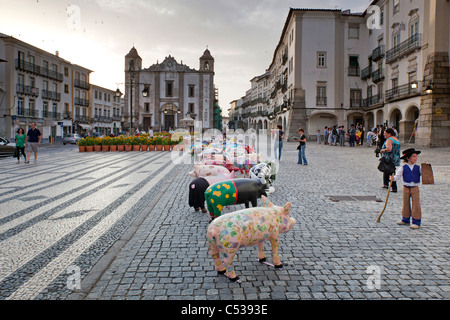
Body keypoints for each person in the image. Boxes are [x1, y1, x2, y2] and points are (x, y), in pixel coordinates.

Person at [391, 148, 425, 229]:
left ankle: (416, 221)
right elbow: (398, 176)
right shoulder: (403, 168)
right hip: (405, 187)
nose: (415, 158)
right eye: (413, 157)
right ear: (408, 158)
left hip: (414, 187)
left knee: (416, 204)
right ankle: (405, 219)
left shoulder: (418, 168)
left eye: (416, 157)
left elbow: (425, 173)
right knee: (405, 203)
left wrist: (426, 166)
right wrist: (393, 178)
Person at [380, 128, 401, 193]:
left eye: (385, 134)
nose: (384, 135)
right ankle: (385, 184)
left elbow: (389, 149)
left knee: (391, 172)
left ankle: (394, 187)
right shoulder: (396, 139)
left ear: (389, 133)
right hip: (395, 157)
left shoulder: (389, 140)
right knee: (386, 170)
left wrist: (382, 150)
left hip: (390, 158)